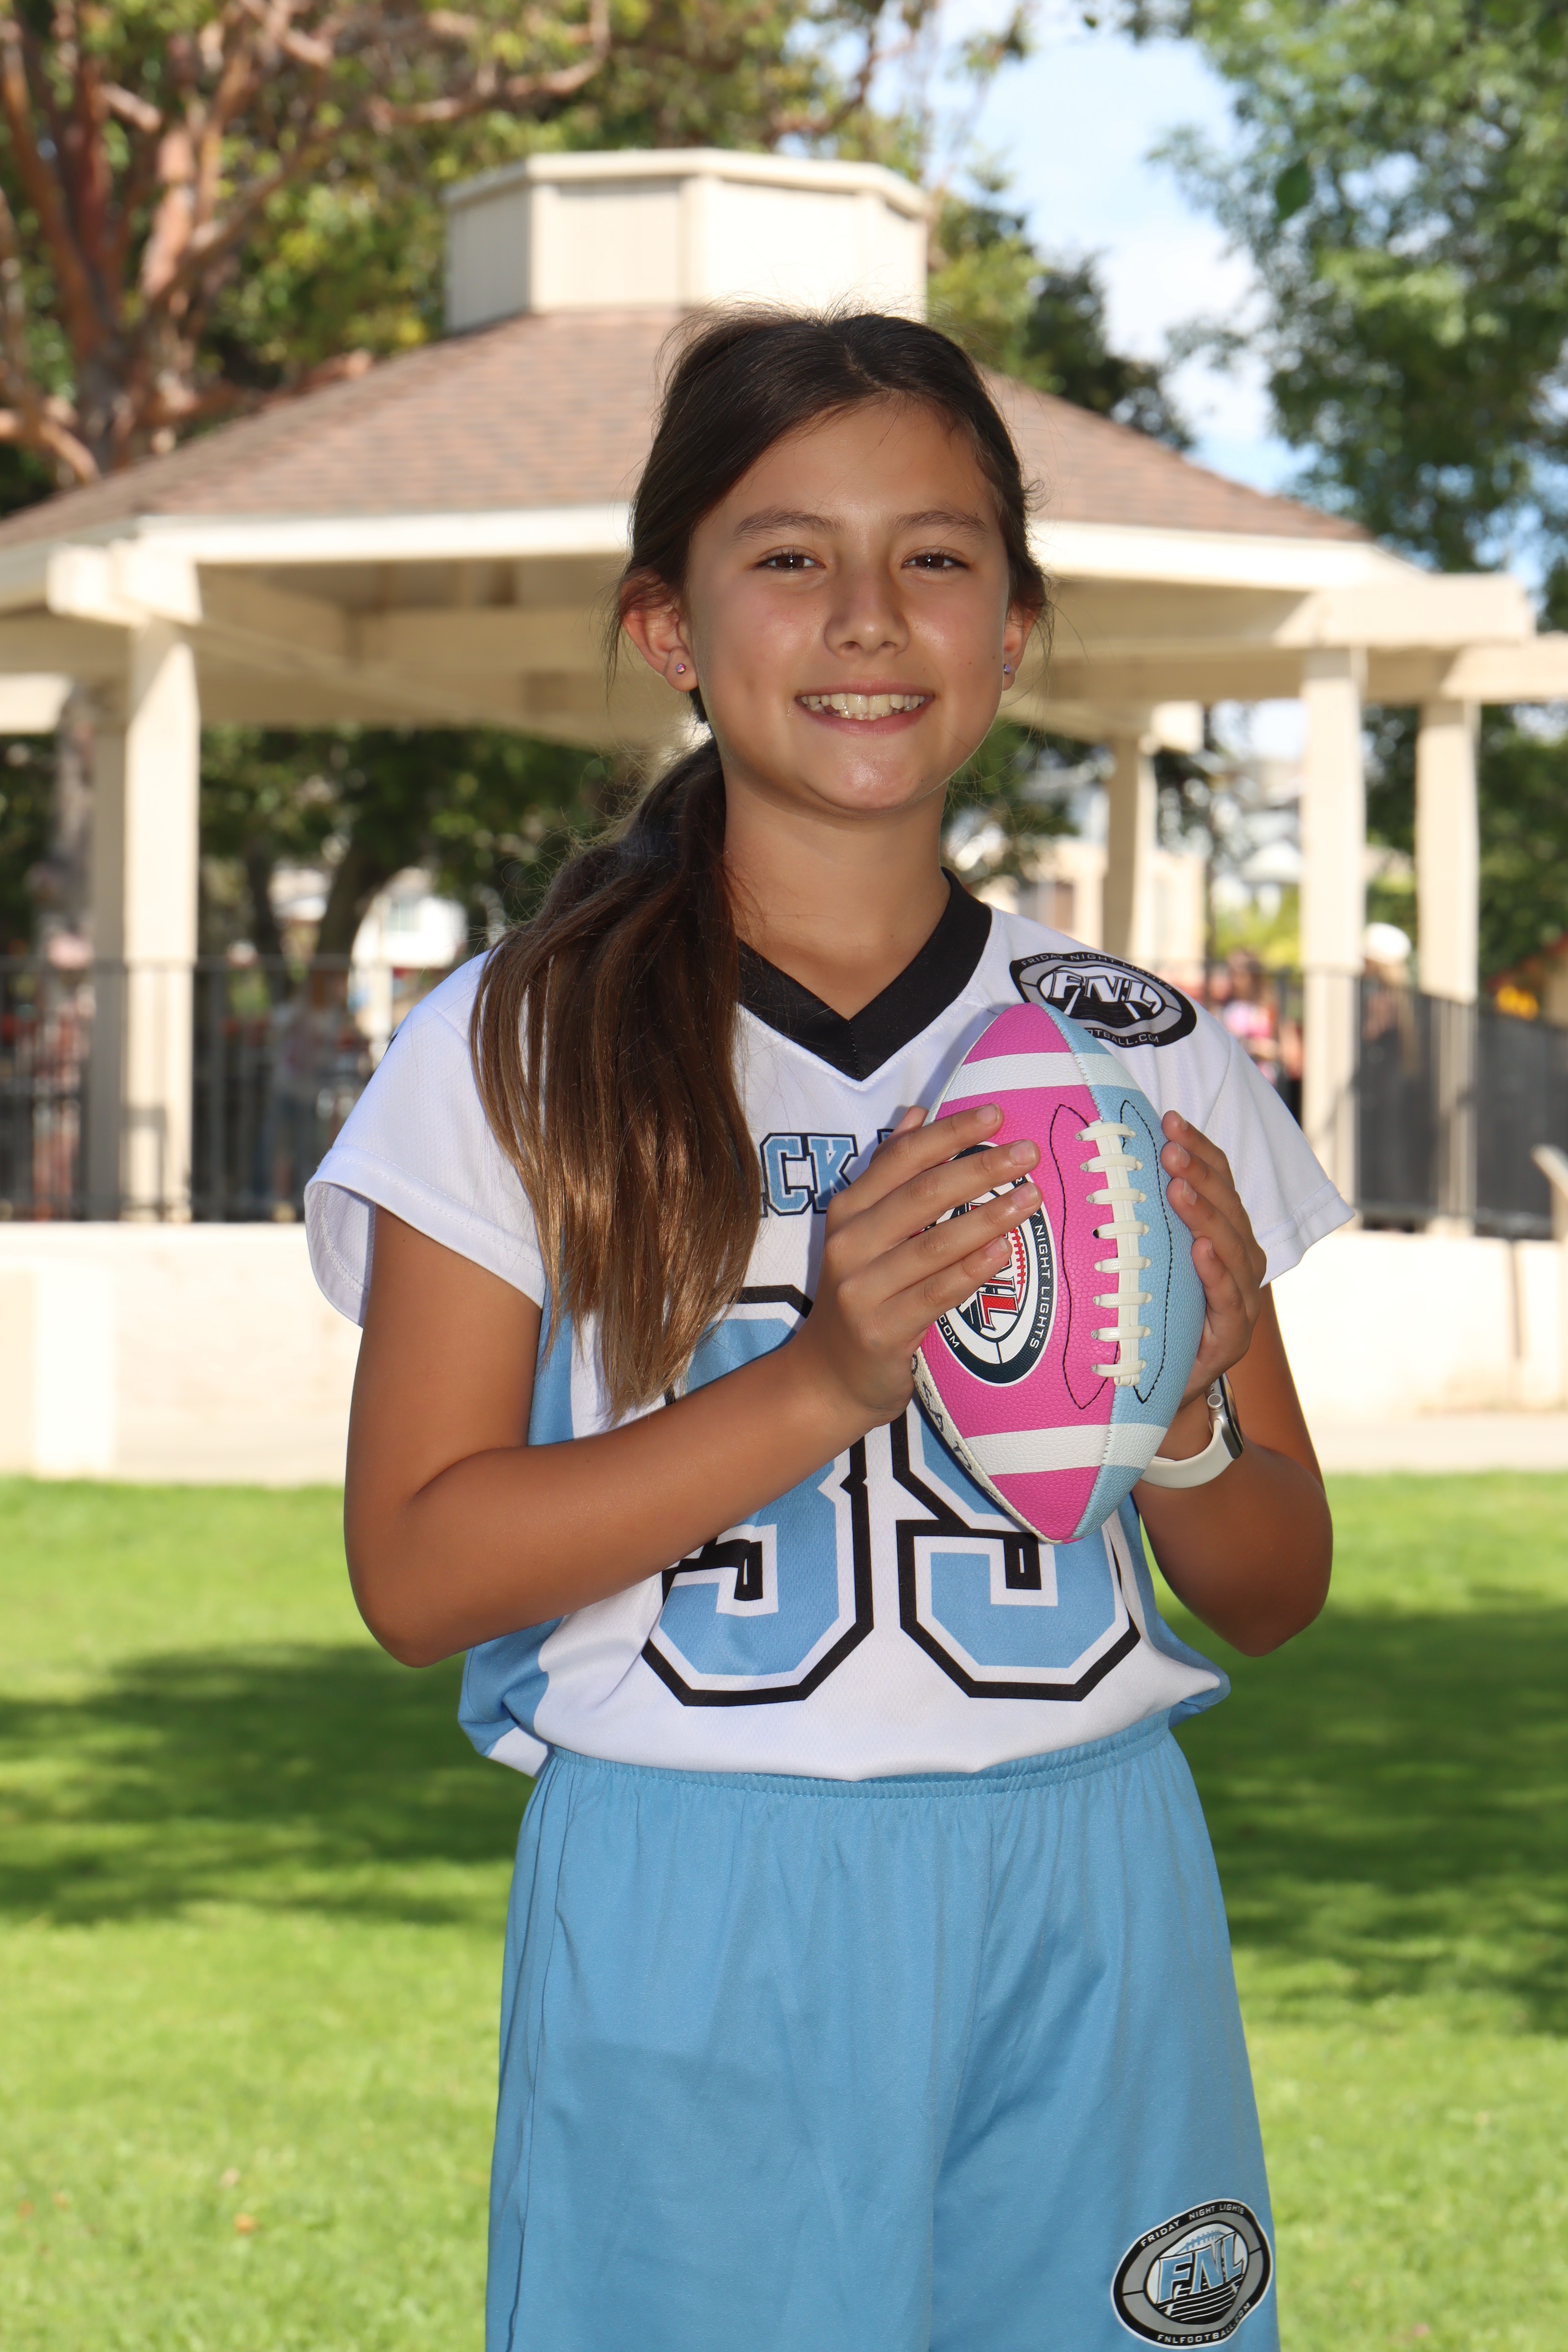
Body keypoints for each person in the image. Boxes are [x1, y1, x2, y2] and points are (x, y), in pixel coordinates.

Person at [305, 311, 1347, 2352]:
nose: (867, 616)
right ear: (668, 627)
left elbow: (1275, 1583)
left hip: (1091, 1873)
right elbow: (415, 1575)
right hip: (697, 1885)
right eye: (787, 556)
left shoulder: (1135, 1044)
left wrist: (1193, 1411)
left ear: (1013, 628)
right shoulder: (515, 1040)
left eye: (935, 556)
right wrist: (824, 1381)